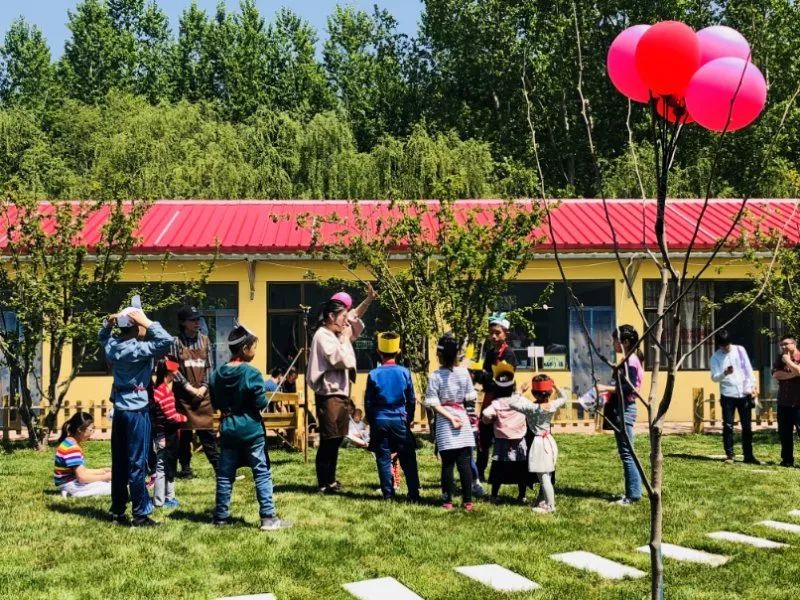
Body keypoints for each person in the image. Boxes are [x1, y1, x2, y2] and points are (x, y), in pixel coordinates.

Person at [210, 323, 291, 531]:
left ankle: (220, 516)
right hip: (251, 430)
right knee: (262, 473)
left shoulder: (216, 374)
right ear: (245, 349)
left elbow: (216, 402)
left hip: (228, 429)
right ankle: (268, 518)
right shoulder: (252, 374)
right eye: (254, 346)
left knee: (225, 475)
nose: (255, 350)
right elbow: (261, 403)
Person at [100, 305, 173, 527]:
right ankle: (140, 513)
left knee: (120, 462)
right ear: (136, 327)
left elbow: (103, 336)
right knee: (137, 462)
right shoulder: (138, 350)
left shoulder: (113, 347)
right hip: (137, 412)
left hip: (120, 411)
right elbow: (167, 341)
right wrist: (148, 321)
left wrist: (108, 323)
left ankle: (118, 510)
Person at [307, 284, 377, 494]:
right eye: (342, 316)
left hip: (341, 394)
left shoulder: (337, 333)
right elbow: (338, 359)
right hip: (328, 395)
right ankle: (323, 483)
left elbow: (354, 316)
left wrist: (369, 299)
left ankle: (331, 480)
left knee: (337, 438)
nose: (346, 321)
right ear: (330, 316)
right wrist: (346, 339)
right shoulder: (323, 335)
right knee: (329, 439)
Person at [364, 332, 421, 501]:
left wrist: (372, 420)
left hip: (380, 420)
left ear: (379, 352)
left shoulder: (373, 374)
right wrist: (408, 419)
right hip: (399, 419)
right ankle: (413, 493)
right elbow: (411, 399)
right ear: (398, 352)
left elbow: (368, 402)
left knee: (383, 458)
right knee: (408, 458)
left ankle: (388, 494)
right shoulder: (404, 372)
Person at [424, 334, 476, 511]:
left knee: (447, 464)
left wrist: (449, 417)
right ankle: (467, 501)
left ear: (439, 355)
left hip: (445, 423)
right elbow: (470, 398)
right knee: (465, 463)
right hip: (462, 419)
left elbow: (433, 403)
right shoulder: (464, 373)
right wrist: (459, 417)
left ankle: (447, 501)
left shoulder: (435, 376)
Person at [596, 324, 644, 506]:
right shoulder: (628, 359)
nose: (613, 343)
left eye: (616, 340)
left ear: (624, 341)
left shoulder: (631, 360)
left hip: (626, 409)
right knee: (627, 452)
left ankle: (633, 495)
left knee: (627, 453)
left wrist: (606, 388)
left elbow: (628, 387)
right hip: (623, 407)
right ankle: (633, 492)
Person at [172, 305, 219, 480]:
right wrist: (189, 388)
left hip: (203, 395)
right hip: (184, 396)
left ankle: (219, 468)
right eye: (193, 320)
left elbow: (210, 366)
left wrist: (204, 387)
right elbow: (173, 369)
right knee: (184, 435)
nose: (196, 322)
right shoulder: (176, 343)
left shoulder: (206, 341)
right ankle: (185, 470)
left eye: (198, 319)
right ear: (183, 323)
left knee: (207, 433)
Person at [509, 374, 567, 513]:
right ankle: (545, 501)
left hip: (538, 443)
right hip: (549, 441)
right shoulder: (552, 405)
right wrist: (555, 385)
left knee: (544, 476)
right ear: (549, 392)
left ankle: (550, 506)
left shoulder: (531, 408)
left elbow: (512, 403)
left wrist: (520, 391)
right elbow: (564, 397)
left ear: (534, 393)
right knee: (548, 473)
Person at [476, 313, 517, 483]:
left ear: (505, 333)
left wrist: (485, 376)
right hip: (489, 399)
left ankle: (504, 474)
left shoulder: (509, 354)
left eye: (497, 333)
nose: (493, 336)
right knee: (483, 439)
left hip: (504, 402)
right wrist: (485, 377)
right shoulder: (490, 353)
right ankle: (479, 472)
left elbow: (503, 382)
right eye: (491, 332)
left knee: (503, 440)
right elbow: (487, 381)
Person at [480, 361, 529, 503]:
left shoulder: (496, 403)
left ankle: (494, 495)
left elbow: (486, 415)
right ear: (513, 385)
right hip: (519, 440)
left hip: (502, 442)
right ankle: (522, 495)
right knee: (521, 468)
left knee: (498, 468)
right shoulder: (520, 400)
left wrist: (488, 420)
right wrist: (521, 391)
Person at [710, 330, 759, 464]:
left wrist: (753, 386)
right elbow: (714, 378)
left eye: (727, 345)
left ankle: (749, 455)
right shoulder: (715, 357)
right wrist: (724, 373)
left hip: (744, 393)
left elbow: (748, 369)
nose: (725, 348)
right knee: (728, 426)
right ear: (718, 345)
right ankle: (730, 455)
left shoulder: (739, 350)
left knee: (747, 426)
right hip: (727, 394)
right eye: (722, 346)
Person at [150, 355, 188, 508]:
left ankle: (167, 498)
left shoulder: (157, 390)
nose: (175, 375)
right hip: (166, 435)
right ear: (168, 373)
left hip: (161, 435)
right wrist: (184, 418)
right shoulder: (164, 392)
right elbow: (171, 416)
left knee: (167, 465)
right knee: (163, 467)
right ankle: (161, 500)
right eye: (174, 373)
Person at [54, 412, 112, 498]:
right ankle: (75, 494)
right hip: (73, 485)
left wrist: (103, 471)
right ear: (80, 429)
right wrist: (106, 477)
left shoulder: (68, 442)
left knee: (109, 482)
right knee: (115, 487)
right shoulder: (72, 448)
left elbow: (82, 471)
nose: (92, 433)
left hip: (68, 483)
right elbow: (82, 477)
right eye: (91, 429)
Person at [771, 334, 800, 467]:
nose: (783, 346)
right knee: (785, 434)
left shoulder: (792, 358)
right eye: (781, 344)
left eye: (786, 344)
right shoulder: (779, 358)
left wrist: (788, 361)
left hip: (799, 402)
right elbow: (776, 374)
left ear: (794, 344)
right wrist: (793, 373)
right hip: (784, 402)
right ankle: (787, 460)